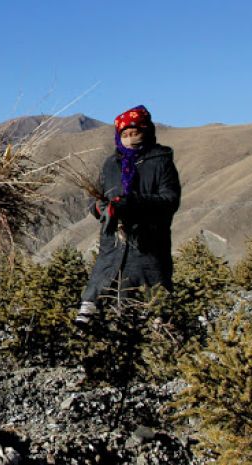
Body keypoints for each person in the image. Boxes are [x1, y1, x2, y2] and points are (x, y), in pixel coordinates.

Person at [75, 105, 181, 326]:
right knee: (104, 298)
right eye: (125, 134)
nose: (130, 139)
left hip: (148, 243)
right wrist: (101, 208)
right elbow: (97, 200)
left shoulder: (161, 161)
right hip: (113, 243)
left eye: (135, 133)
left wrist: (133, 203)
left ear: (147, 131)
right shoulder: (111, 164)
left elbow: (170, 200)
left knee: (151, 306)